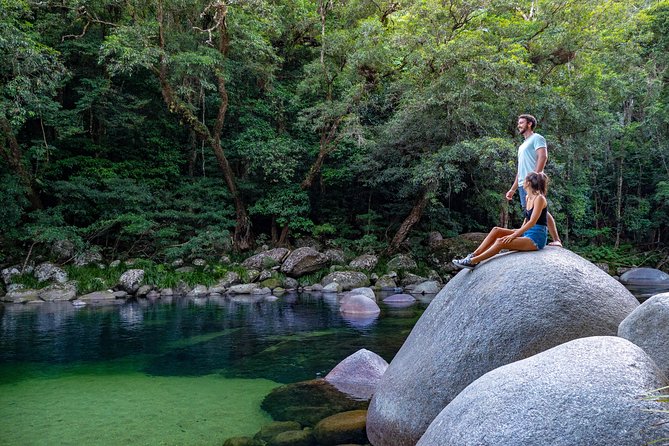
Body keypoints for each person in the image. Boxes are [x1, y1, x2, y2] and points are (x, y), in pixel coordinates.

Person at [452, 172, 549, 270]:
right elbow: (527, 218)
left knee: (500, 242)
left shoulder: (539, 198)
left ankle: (473, 261)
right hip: (527, 233)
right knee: (496, 230)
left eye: (524, 180)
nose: (522, 182)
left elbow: (532, 221)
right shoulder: (528, 197)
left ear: (528, 183)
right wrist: (519, 231)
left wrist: (514, 235)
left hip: (536, 238)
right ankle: (473, 255)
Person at [506, 114, 562, 247]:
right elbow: (520, 170)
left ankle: (556, 240)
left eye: (521, 122)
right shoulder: (522, 146)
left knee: (542, 212)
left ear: (529, 124)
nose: (518, 125)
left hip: (533, 183)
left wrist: (535, 177)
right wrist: (513, 188)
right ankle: (526, 235)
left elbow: (543, 156)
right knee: (529, 212)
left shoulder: (537, 138)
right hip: (523, 185)